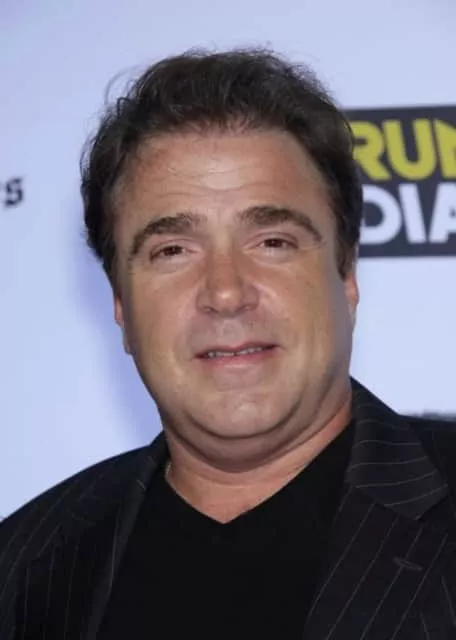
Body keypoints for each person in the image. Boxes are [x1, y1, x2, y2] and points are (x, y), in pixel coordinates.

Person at [1, 48, 455, 640]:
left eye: (272, 242)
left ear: (346, 276)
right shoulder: (22, 570)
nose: (225, 292)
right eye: (172, 250)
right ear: (121, 305)